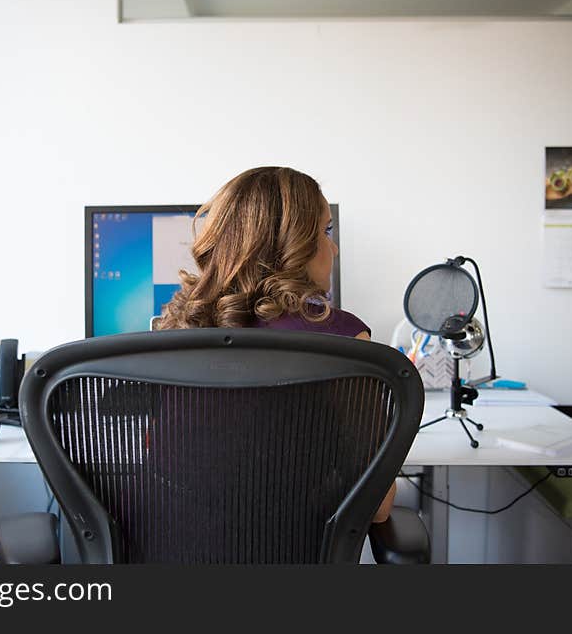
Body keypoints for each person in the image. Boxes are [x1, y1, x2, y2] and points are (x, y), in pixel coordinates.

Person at [157, 166, 396, 522]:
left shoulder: (174, 332)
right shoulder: (343, 341)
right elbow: (376, 509)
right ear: (292, 244)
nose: (334, 248)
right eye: (325, 231)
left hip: (172, 554)